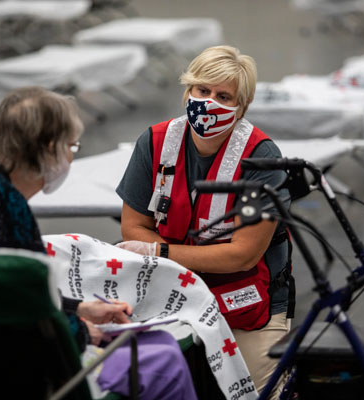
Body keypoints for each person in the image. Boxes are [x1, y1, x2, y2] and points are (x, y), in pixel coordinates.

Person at [0, 86, 196, 399]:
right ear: (50, 147)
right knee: (165, 358)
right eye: (72, 145)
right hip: (0, 368)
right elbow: (24, 317)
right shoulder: (8, 211)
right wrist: (81, 331)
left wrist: (79, 307)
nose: (70, 156)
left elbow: (11, 294)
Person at [116, 45, 295, 397]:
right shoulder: (154, 143)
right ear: (188, 91)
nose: (209, 102)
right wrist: (160, 251)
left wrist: (159, 251)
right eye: (202, 90)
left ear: (241, 107)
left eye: (224, 96)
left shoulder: (261, 157)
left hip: (246, 302)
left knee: (254, 393)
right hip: (171, 295)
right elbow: (132, 227)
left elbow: (241, 255)